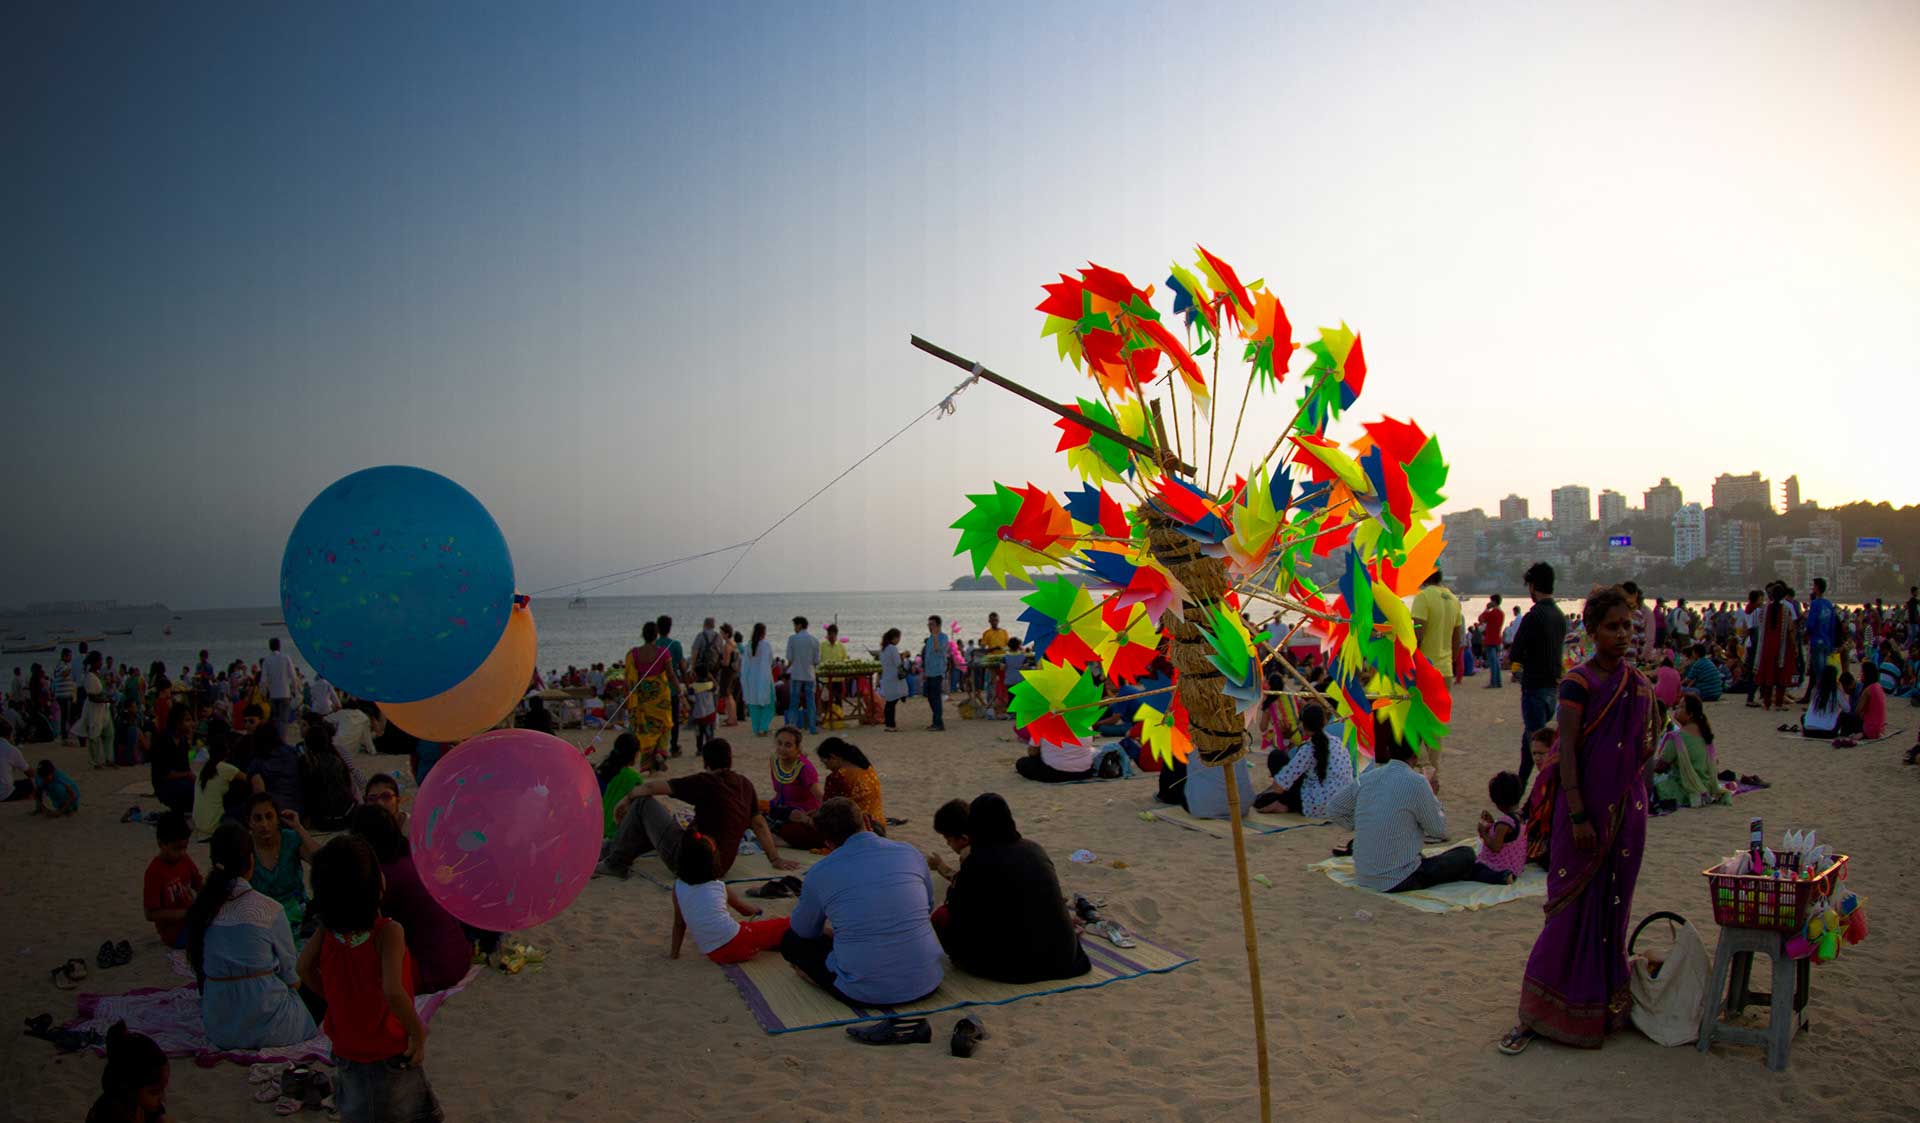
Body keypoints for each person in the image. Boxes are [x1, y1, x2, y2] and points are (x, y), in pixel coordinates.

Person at [1501, 584, 1656, 1055]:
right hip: (1582, 813)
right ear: (1590, 631)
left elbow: (1642, 755)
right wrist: (1580, 812)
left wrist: (1633, 804)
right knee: (1568, 911)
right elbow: (1566, 749)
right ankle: (1541, 1012)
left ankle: (1601, 1005)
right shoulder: (1578, 684)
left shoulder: (1640, 686)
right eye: (1612, 626)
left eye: (1628, 625)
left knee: (1612, 908)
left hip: (1626, 816)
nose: (1623, 634)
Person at [297, 836, 443, 1123]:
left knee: (361, 1107)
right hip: (387, 1051)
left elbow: (303, 967)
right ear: (376, 885)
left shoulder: (327, 932)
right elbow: (393, 990)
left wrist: (335, 998)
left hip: (346, 1050)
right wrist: (417, 1031)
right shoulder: (387, 932)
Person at [779, 798, 944, 1007]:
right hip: (928, 978)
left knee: (791, 942)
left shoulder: (820, 872)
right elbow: (926, 907)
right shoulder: (910, 852)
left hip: (867, 992)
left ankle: (815, 977)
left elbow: (804, 931)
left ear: (827, 842)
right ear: (867, 821)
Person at [183, 822, 317, 1050]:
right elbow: (292, 977)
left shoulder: (202, 910)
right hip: (272, 1028)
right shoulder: (269, 910)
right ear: (251, 860)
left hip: (220, 1029)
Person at [935, 793, 1090, 984]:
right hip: (1064, 957)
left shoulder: (978, 861)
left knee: (942, 918)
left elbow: (958, 911)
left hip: (1017, 965)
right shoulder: (1034, 849)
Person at [596, 739, 799, 880]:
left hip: (692, 862)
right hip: (721, 865)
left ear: (705, 762)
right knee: (660, 821)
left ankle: (616, 862)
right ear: (730, 760)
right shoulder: (744, 783)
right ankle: (611, 849)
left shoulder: (706, 781)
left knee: (642, 804)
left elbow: (651, 788)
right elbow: (759, 824)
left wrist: (627, 798)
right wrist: (775, 858)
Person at [1323, 724, 1473, 892]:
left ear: (1388, 751)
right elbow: (1439, 830)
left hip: (1363, 874)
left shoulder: (1368, 778)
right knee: (1466, 854)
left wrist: (1362, 823)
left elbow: (1334, 808)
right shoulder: (1417, 782)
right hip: (1400, 877)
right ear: (1415, 755)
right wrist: (1433, 796)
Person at [347, 805, 473, 995]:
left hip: (434, 968)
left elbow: (359, 925)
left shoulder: (386, 875)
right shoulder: (411, 858)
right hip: (458, 955)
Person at [671, 832, 790, 964]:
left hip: (714, 954)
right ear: (713, 861)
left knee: (758, 932)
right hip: (736, 944)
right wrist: (755, 909)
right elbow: (744, 911)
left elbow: (679, 924)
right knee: (784, 924)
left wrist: (674, 954)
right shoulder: (719, 886)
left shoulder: (678, 886)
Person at [1509, 562, 1568, 788]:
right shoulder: (1559, 615)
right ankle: (1521, 784)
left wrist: (1520, 664)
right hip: (1552, 689)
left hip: (1534, 687)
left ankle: (1550, 786)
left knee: (1538, 745)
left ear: (1533, 586)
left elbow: (1516, 652)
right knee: (1531, 741)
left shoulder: (1534, 616)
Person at [1409, 569, 1463, 779]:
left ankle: (1414, 767)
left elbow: (1417, 634)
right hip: (1445, 669)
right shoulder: (1453, 599)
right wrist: (1452, 660)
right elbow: (1457, 638)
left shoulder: (1423, 597)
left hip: (1425, 668)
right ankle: (1433, 769)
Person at [1257, 704, 1354, 818]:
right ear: (1324, 722)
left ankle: (1285, 805)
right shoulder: (1337, 742)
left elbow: (1280, 786)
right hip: (1343, 804)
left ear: (1303, 725)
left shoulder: (1308, 749)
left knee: (1276, 757)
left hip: (1315, 806)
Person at [246, 792, 317, 930]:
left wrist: (299, 828)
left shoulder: (290, 839)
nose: (264, 824)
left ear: (278, 819)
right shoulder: (245, 847)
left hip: (300, 916)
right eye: (258, 818)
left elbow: (322, 862)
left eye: (269, 816)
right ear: (249, 822)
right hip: (262, 920)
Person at [85, 1021, 172, 1123]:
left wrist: (161, 1117)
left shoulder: (140, 1103)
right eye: (155, 1092)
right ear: (129, 1088)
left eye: (162, 1089)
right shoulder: (111, 1114)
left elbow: (157, 1113)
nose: (162, 1098)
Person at [143, 812, 203, 948]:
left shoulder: (184, 859)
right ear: (161, 844)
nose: (182, 852)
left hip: (192, 920)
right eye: (176, 849)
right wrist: (186, 914)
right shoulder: (154, 872)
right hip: (174, 933)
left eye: (185, 847)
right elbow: (150, 914)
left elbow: (198, 883)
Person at [623, 620, 677, 772]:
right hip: (660, 699)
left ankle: (648, 764)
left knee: (645, 730)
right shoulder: (663, 652)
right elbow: (671, 675)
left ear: (643, 634)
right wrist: (681, 692)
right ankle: (660, 753)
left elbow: (628, 678)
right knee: (664, 726)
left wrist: (627, 696)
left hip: (641, 699)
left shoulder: (633, 654)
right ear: (657, 635)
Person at [1652, 695, 1724, 807]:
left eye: (1681, 707)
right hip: (1707, 785)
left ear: (1690, 715)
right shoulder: (1705, 733)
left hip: (1685, 790)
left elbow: (1661, 767)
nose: (1676, 708)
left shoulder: (1676, 737)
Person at [817, 737, 886, 835]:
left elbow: (828, 810)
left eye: (826, 762)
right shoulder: (867, 767)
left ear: (833, 757)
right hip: (879, 827)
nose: (826, 767)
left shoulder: (838, 776)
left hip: (856, 829)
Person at [766, 726, 823, 843]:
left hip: (802, 814)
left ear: (797, 748)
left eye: (788, 745)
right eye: (779, 743)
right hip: (780, 809)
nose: (782, 749)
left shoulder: (804, 767)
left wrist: (808, 818)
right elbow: (778, 793)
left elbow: (821, 797)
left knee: (793, 831)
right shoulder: (775, 761)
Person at [1470, 772, 1528, 885]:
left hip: (1500, 866)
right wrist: (1492, 823)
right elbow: (1508, 837)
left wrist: (1483, 833)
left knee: (1474, 871)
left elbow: (1495, 847)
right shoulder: (1521, 816)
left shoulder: (1504, 823)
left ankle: (1502, 877)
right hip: (1516, 865)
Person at [1753, 583, 1800, 710]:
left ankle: (1767, 703)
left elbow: (1760, 626)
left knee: (1768, 674)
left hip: (1767, 646)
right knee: (1781, 676)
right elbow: (1790, 629)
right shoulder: (1786, 610)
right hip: (1782, 647)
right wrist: (1795, 646)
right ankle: (1778, 703)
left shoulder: (1765, 609)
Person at [596, 733, 644, 839]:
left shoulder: (600, 771)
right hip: (617, 831)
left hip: (597, 826)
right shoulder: (633, 778)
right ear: (635, 754)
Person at [1801, 578, 1839, 702]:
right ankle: (1823, 698)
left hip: (1817, 642)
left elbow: (1810, 624)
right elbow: (1833, 625)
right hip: (1827, 642)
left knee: (1819, 674)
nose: (1812, 588)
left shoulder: (1815, 604)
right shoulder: (1828, 604)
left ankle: (1820, 700)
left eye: (1813, 586)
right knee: (1824, 672)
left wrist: (1806, 634)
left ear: (1817, 588)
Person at [657, 615, 688, 758]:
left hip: (656, 688)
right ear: (670, 628)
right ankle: (673, 746)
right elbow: (682, 667)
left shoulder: (654, 645)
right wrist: (685, 681)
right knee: (673, 719)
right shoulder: (675, 645)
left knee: (658, 719)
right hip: (671, 688)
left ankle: (658, 747)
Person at [785, 616, 821, 734]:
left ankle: (792, 726)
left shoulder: (792, 639)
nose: (794, 628)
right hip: (809, 674)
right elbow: (817, 660)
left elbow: (789, 657)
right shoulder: (814, 640)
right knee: (811, 702)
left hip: (796, 674)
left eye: (795, 625)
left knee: (794, 702)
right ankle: (812, 727)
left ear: (799, 625)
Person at [81, 650, 115, 769]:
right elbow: (92, 697)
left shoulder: (98, 674)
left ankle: (109, 759)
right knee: (94, 736)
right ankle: (96, 761)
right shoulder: (90, 677)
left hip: (103, 709)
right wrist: (106, 700)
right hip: (95, 710)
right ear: (94, 662)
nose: (101, 663)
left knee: (109, 733)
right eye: (100, 660)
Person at [741, 623, 776, 736]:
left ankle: (756, 728)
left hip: (752, 678)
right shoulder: (765, 645)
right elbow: (770, 661)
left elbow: (746, 663)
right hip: (764, 678)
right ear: (763, 633)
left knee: (754, 704)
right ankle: (763, 727)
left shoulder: (749, 645)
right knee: (769, 705)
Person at [925, 798, 971, 882]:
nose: (947, 844)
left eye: (949, 840)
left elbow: (962, 885)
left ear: (964, 839)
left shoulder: (969, 856)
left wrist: (939, 866)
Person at [1798, 664, 1849, 740]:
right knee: (1843, 716)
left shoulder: (1815, 691)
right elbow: (1847, 709)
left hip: (1808, 731)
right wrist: (1842, 691)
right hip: (1828, 733)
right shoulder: (1836, 692)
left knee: (1804, 716)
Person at [261, 638, 297, 732]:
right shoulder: (286, 658)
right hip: (285, 693)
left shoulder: (267, 660)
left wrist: (264, 693)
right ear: (279, 646)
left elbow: (263, 679)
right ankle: (282, 741)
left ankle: (276, 740)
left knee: (275, 719)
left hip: (273, 694)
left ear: (270, 647)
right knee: (284, 720)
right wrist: (295, 690)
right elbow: (293, 676)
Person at [921, 615, 949, 731]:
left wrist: (935, 635)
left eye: (931, 624)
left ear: (938, 625)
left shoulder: (943, 637)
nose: (929, 627)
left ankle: (938, 724)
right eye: (928, 625)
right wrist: (924, 672)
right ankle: (936, 721)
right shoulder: (930, 639)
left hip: (937, 672)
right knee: (929, 697)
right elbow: (927, 656)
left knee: (936, 697)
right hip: (929, 672)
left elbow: (938, 649)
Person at [878, 628, 908, 732]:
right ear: (894, 638)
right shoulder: (892, 648)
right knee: (892, 703)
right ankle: (891, 725)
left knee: (890, 702)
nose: (899, 640)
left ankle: (888, 724)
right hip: (894, 678)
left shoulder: (883, 649)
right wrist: (903, 656)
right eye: (898, 637)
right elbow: (898, 663)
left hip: (887, 677)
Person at [1479, 594, 1507, 689]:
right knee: (1496, 662)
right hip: (1497, 640)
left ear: (1493, 602)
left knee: (1493, 662)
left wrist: (1486, 609)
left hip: (1490, 640)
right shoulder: (1501, 613)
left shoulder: (1493, 613)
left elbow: (1481, 619)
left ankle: (1493, 682)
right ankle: (1498, 682)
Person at [1, 718, 31, 801]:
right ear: (10, 735)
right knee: (32, 782)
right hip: (5, 794)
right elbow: (29, 772)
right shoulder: (11, 749)